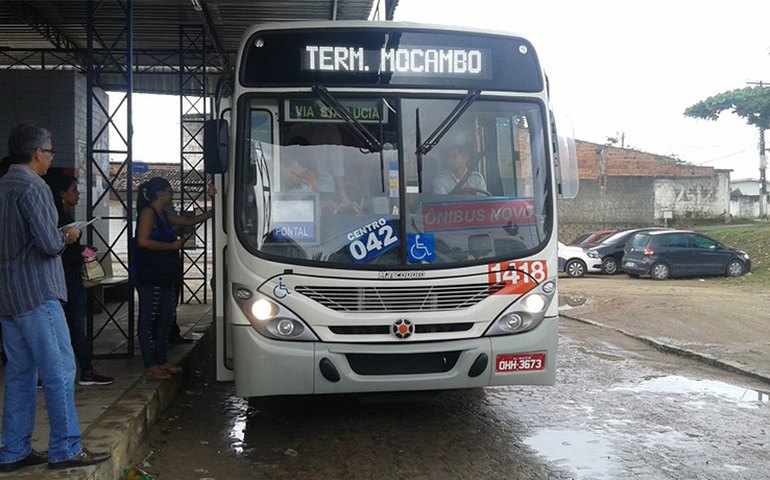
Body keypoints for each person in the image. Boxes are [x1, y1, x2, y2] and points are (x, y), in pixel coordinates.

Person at [0, 123, 111, 471]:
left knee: (20, 373)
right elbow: (49, 244)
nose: (50, 159)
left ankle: (13, 450)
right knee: (62, 368)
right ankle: (65, 447)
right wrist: (69, 236)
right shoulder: (35, 188)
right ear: (37, 153)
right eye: (49, 152)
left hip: (8, 296)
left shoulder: (3, 185)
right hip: (37, 293)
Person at [134, 177, 214, 381]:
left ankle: (162, 360)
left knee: (166, 318)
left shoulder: (164, 214)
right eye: (170, 191)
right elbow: (143, 241)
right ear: (160, 193)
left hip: (167, 274)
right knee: (148, 319)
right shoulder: (148, 213)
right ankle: (151, 365)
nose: (172, 194)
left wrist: (217, 206)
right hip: (151, 275)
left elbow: (189, 222)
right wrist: (170, 247)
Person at [45, 173, 114, 386]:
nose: (78, 194)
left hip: (73, 274)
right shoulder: (53, 218)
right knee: (66, 326)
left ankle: (84, 369)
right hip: (61, 277)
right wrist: (68, 240)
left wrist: (83, 250)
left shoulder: (67, 217)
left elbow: (69, 250)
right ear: (62, 194)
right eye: (74, 190)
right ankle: (78, 370)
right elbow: (54, 249)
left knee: (75, 325)